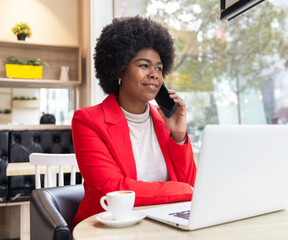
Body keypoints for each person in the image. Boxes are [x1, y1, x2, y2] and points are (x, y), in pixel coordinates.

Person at [72, 16, 197, 226]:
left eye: (159, 68)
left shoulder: (164, 118)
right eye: (144, 65)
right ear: (119, 70)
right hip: (109, 227)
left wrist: (178, 135)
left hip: (161, 222)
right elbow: (114, 190)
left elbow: (188, 183)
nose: (154, 74)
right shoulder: (88, 120)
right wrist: (185, 190)